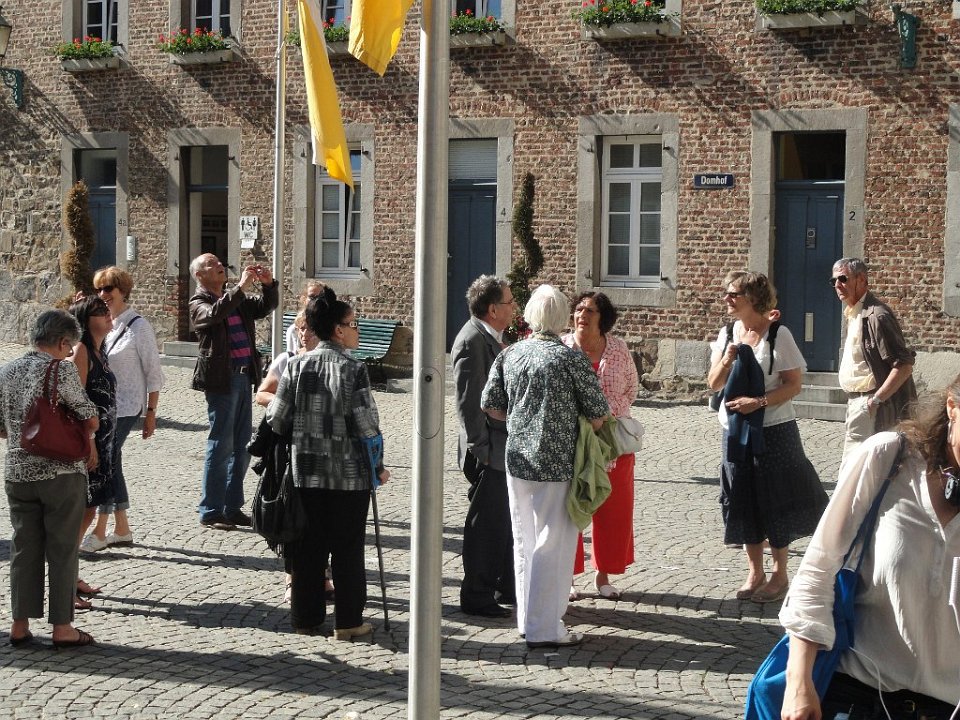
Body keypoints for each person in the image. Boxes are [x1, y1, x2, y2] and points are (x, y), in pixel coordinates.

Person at [779, 380, 960, 720]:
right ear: (952, 407)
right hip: (860, 695)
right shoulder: (889, 458)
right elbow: (819, 568)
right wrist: (798, 681)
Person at [481, 284, 610, 649]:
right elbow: (598, 414)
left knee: (524, 540)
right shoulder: (569, 359)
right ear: (561, 317)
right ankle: (545, 627)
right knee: (553, 543)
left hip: (518, 459)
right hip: (556, 461)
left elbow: (490, 405)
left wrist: (519, 419)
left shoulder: (510, 354)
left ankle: (528, 619)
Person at [266, 294, 390, 639]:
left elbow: (277, 418)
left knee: (308, 548)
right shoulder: (353, 369)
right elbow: (366, 425)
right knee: (347, 549)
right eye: (353, 324)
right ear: (338, 330)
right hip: (349, 476)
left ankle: (305, 619)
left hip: (306, 472)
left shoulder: (297, 366)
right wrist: (378, 466)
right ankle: (348, 622)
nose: (357, 330)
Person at [707, 271, 827, 603]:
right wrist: (727, 359)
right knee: (743, 497)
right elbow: (713, 383)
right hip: (735, 430)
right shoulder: (727, 333)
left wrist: (758, 402)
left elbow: (793, 385)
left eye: (734, 294)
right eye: (727, 293)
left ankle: (779, 573)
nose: (727, 299)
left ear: (753, 299)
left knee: (775, 497)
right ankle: (754, 571)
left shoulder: (778, 334)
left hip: (774, 429)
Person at [0, 310, 99, 648]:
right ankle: (62, 627)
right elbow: (89, 416)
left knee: (24, 548)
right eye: (69, 346)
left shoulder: (7, 370)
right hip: (60, 473)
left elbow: (1, 426)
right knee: (62, 548)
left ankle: (19, 624)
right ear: (61, 342)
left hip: (17, 473)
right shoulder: (61, 369)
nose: (69, 351)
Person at [189, 253, 279, 530]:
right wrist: (240, 288)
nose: (219, 265)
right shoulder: (199, 302)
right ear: (199, 276)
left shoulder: (234, 299)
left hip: (244, 377)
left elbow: (264, 307)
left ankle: (232, 506)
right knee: (221, 444)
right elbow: (214, 316)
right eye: (211, 264)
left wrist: (268, 285)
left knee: (242, 446)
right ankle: (211, 510)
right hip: (222, 379)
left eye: (219, 262)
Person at [79, 266, 165, 552]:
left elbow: (154, 372)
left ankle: (100, 530)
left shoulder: (139, 327)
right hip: (102, 407)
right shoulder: (102, 323)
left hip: (127, 406)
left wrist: (151, 412)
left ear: (122, 291)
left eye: (108, 289)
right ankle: (122, 528)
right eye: (99, 289)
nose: (103, 294)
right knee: (112, 463)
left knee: (106, 462)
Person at [562, 291, 639, 601]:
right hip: (573, 440)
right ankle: (567, 576)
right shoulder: (563, 348)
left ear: (603, 318)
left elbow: (631, 389)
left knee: (614, 508)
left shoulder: (619, 349)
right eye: (579, 309)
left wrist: (610, 415)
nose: (583, 315)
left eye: (590, 310)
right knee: (571, 507)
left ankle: (603, 574)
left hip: (613, 440)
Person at [452, 275, 516, 619]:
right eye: (509, 302)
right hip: (488, 449)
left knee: (502, 522)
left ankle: (506, 585)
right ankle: (477, 594)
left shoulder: (492, 337)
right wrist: (482, 450)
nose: (514, 307)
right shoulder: (472, 341)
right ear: (493, 309)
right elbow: (468, 403)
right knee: (486, 526)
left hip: (500, 448)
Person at [832, 257, 917, 464]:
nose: (837, 285)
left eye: (843, 279)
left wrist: (876, 401)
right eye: (833, 280)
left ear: (861, 279)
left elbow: (904, 366)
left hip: (871, 404)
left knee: (858, 470)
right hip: (857, 402)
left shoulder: (876, 315)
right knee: (859, 470)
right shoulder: (854, 312)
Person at [67, 295, 117, 608]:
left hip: (104, 443)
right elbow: (75, 401)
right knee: (78, 513)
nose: (108, 313)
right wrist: (88, 441)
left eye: (106, 308)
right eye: (100, 311)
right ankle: (64, 585)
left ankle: (71, 576)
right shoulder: (81, 351)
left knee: (90, 510)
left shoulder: (101, 349)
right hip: (88, 445)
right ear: (85, 321)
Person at [286, 280, 327, 354]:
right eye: (312, 297)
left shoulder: (336, 329)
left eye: (321, 298)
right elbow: (292, 356)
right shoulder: (294, 330)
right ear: (304, 299)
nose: (317, 301)